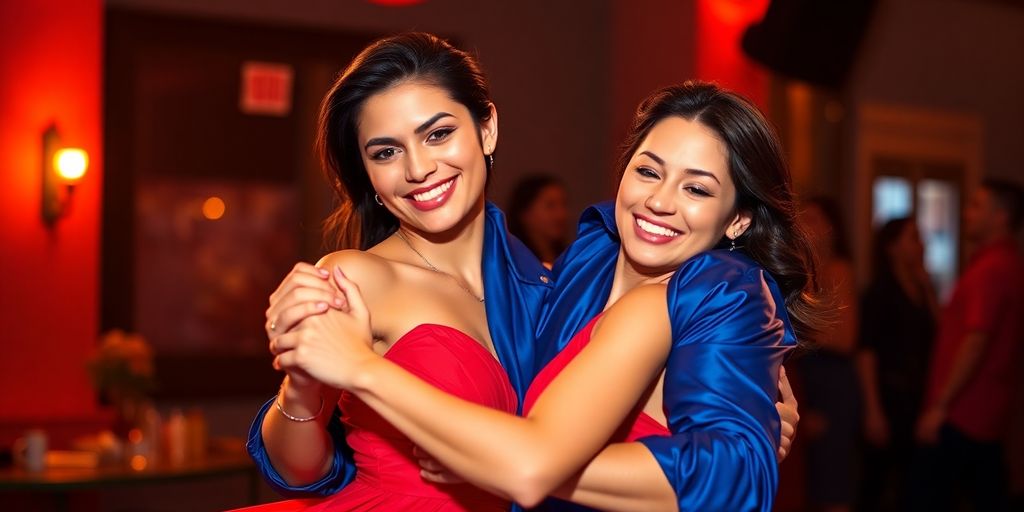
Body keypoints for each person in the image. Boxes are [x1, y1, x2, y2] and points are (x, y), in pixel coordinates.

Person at [266, 81, 819, 511]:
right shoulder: (565, 270)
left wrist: (496, 462)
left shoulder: (707, 290)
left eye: (698, 188)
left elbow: (732, 473)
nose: (661, 201)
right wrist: (304, 383)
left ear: (486, 130)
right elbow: (323, 460)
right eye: (648, 171)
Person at [911, 178, 1024, 512]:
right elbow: (959, 328)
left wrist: (939, 406)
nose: (967, 213)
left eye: (977, 206)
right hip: (983, 412)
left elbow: (976, 341)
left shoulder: (992, 269)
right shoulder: (1004, 264)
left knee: (926, 498)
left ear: (1001, 217)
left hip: (964, 413)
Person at [856, 218, 936, 511]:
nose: (921, 244)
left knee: (912, 484)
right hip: (888, 394)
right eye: (913, 237)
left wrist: (927, 288)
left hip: (917, 396)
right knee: (876, 482)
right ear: (892, 247)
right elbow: (866, 352)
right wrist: (873, 409)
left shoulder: (922, 287)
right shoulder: (880, 291)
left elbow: (937, 335)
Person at [795, 196, 860, 512]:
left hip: (831, 381)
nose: (806, 225)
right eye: (803, 218)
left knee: (832, 480)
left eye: (815, 219)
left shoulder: (837, 268)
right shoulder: (799, 266)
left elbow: (844, 339)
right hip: (806, 377)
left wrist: (796, 329)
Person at [507, 174, 570, 267]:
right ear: (525, 212)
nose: (560, 214)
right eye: (550, 206)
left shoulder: (568, 256)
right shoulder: (514, 259)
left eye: (563, 204)